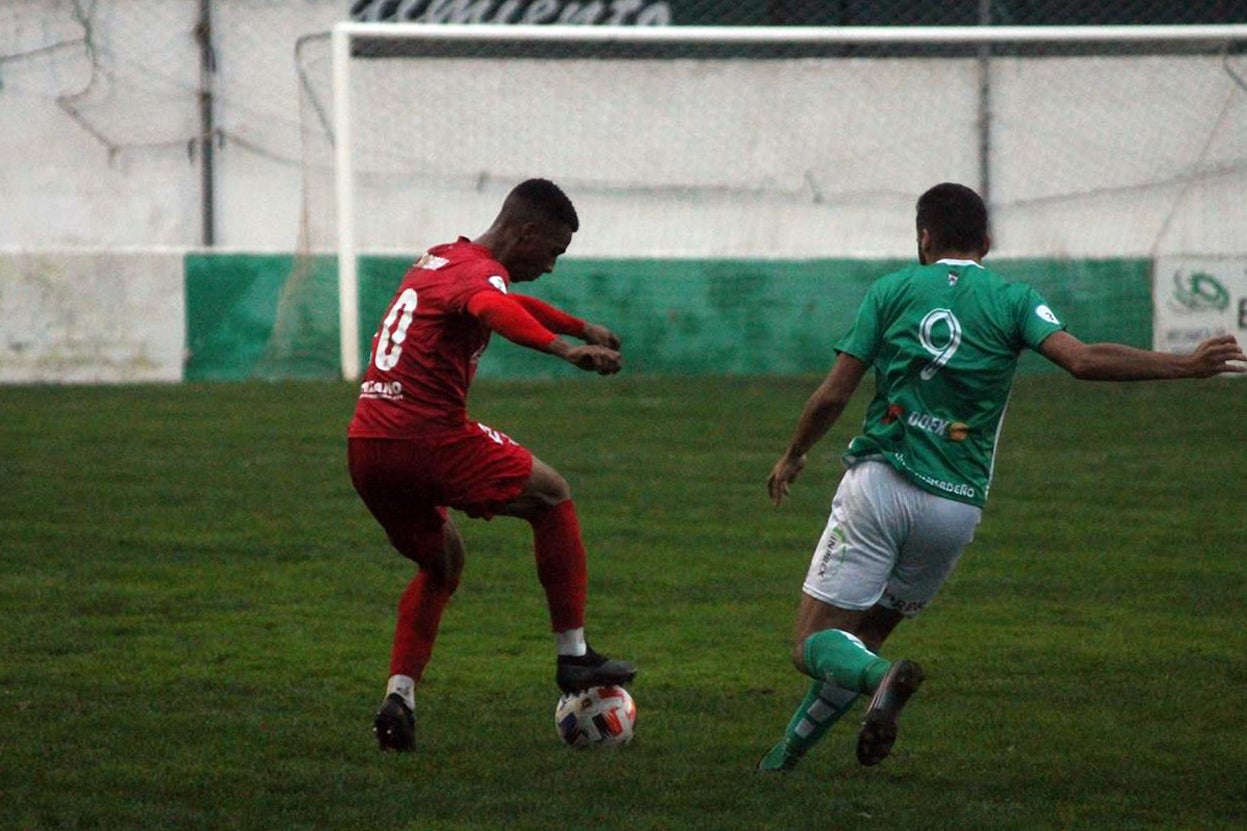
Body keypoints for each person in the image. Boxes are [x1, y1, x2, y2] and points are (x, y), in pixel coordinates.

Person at [757, 182, 1246, 772]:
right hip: (955, 510)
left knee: (816, 643)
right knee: (861, 640)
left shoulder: (892, 291)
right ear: (987, 241)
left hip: (881, 487)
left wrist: (793, 454)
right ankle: (782, 762)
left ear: (924, 239)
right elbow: (1083, 360)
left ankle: (882, 681)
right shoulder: (1014, 300)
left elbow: (834, 394)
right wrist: (1188, 365)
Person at [347, 178, 637, 752]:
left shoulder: (446, 259)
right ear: (525, 232)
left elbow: (501, 300)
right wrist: (565, 349)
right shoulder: (480, 277)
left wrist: (575, 323)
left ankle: (399, 696)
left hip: (367, 445)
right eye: (551, 252)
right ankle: (574, 656)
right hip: (427, 438)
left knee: (443, 563)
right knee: (552, 495)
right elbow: (492, 306)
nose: (551, 267)